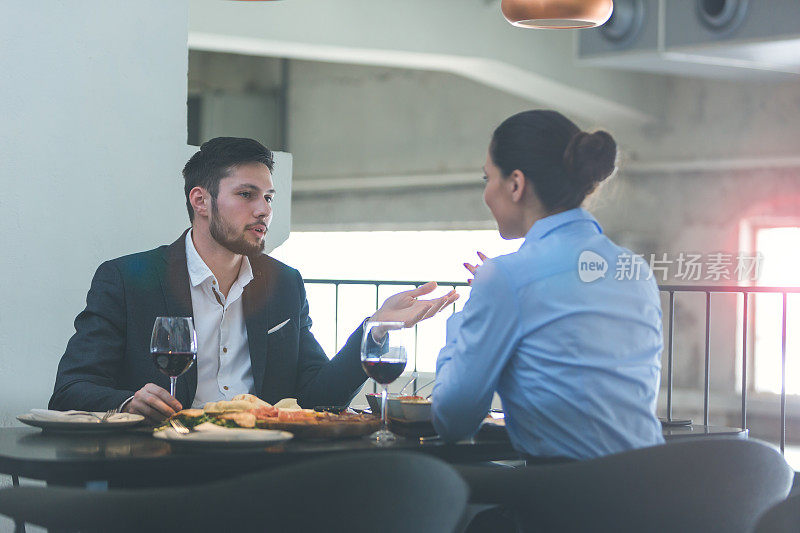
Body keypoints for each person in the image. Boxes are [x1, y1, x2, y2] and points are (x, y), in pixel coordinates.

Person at [50, 137, 457, 422]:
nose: (263, 209)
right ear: (201, 201)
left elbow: (318, 397)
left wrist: (377, 328)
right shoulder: (127, 279)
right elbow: (70, 389)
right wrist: (128, 403)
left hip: (260, 464)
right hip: (161, 464)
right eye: (247, 194)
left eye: (269, 197)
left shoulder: (283, 284)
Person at [432, 110, 664, 461]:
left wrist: (466, 315)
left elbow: (452, 419)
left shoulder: (506, 277)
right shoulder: (638, 271)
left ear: (515, 184)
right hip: (653, 493)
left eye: (486, 179)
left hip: (571, 502)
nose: (486, 193)